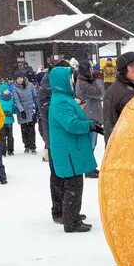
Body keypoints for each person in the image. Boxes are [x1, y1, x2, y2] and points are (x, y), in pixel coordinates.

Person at [46, 62, 97, 233]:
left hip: (70, 150)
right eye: (69, 79)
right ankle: (71, 222)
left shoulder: (63, 98)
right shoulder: (61, 101)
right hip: (68, 151)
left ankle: (72, 215)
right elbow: (71, 124)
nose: (73, 82)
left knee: (74, 185)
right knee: (73, 186)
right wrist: (88, 125)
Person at [75, 61, 105, 179]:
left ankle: (90, 167)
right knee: (89, 145)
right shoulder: (82, 82)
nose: (93, 71)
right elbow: (99, 93)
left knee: (92, 144)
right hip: (88, 117)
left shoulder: (86, 81)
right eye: (91, 69)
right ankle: (88, 169)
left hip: (91, 116)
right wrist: (98, 80)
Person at [103, 50, 134, 140]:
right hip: (129, 146)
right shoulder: (127, 94)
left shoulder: (118, 87)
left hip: (117, 147)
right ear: (124, 69)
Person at [10, 70, 38, 154]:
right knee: (24, 130)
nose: (19, 80)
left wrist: (35, 107)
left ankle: (32, 146)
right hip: (22, 111)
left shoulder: (30, 85)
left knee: (31, 130)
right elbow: (16, 100)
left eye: (21, 78)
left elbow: (35, 96)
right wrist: (21, 110)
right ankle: (26, 145)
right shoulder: (15, 88)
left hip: (31, 110)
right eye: (18, 78)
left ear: (23, 78)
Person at [0, 70, 16, 156]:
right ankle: (3, 151)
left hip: (9, 120)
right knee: (2, 137)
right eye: (5, 90)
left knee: (10, 136)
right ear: (2, 91)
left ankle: (10, 150)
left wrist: (13, 111)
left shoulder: (11, 98)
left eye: (8, 90)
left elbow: (14, 108)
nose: (7, 91)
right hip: (1, 121)